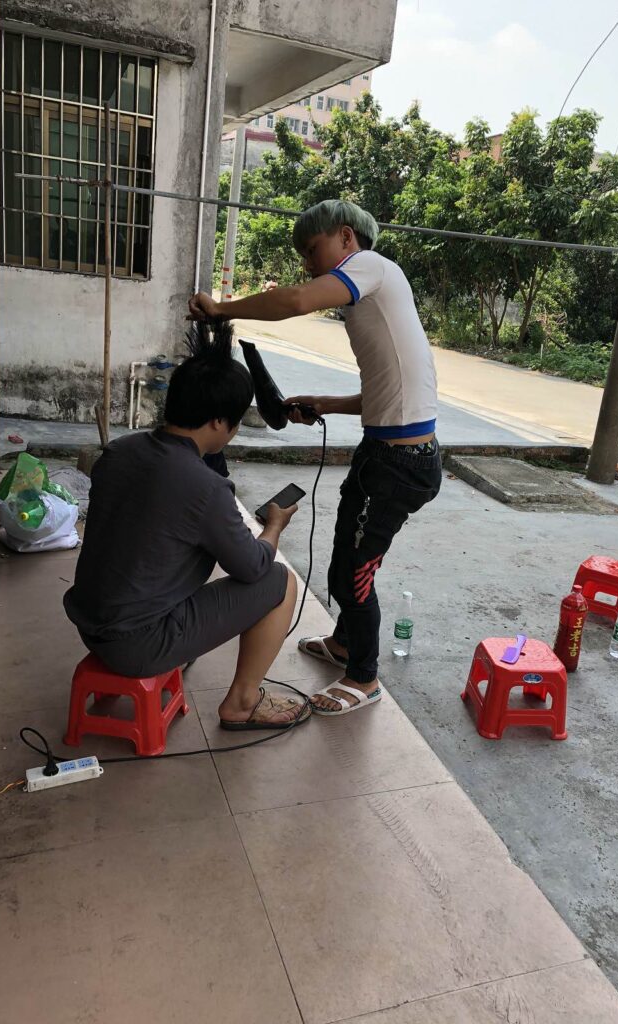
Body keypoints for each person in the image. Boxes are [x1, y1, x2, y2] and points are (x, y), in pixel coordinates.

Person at [187, 199, 441, 717]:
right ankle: (346, 642)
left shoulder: (370, 266)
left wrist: (222, 309)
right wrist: (325, 404)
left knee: (356, 574)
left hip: (401, 464)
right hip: (382, 452)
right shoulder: (371, 298)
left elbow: (297, 300)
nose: (307, 264)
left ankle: (364, 676)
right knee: (342, 561)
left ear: (346, 237)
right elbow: (386, 393)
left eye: (311, 250)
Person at [63, 321, 309, 730]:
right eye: (233, 423)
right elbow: (251, 568)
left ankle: (180, 650)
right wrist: (275, 527)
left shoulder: (118, 452)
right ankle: (243, 703)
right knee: (280, 582)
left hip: (92, 624)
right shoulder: (205, 487)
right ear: (218, 423)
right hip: (138, 643)